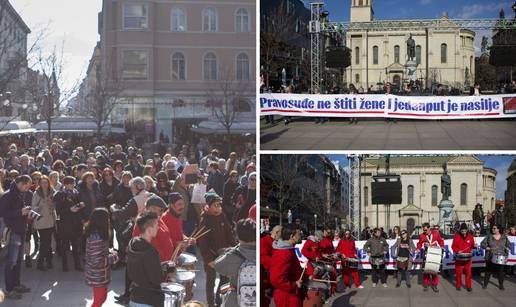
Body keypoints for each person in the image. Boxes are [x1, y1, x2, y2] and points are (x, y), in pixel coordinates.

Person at [197, 192, 236, 307]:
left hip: (223, 254)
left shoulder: (222, 215)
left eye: (219, 205)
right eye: (215, 205)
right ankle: (210, 303)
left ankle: (219, 301)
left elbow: (229, 233)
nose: (218, 207)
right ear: (208, 206)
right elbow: (202, 243)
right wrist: (208, 259)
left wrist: (233, 247)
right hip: (210, 256)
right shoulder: (204, 220)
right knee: (211, 281)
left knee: (224, 279)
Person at [0, 175, 33, 300]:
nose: (28, 188)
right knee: (11, 262)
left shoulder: (18, 193)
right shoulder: (8, 195)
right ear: (20, 183)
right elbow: (2, 213)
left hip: (20, 230)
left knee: (18, 261)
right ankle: (9, 290)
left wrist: (26, 211)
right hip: (13, 231)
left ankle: (16, 284)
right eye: (27, 185)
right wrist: (20, 212)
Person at [127, 211, 167, 307]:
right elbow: (157, 279)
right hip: (148, 300)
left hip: (134, 298)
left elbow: (141, 269)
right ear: (149, 230)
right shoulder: (150, 251)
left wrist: (162, 265)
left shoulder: (132, 243)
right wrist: (167, 271)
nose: (159, 228)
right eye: (157, 225)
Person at [214, 218, 256, 307]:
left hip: (236, 300)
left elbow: (218, 266)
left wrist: (234, 248)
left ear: (237, 236)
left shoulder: (234, 255)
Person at [85, 208, 119, 307]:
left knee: (102, 298)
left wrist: (110, 252)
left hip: (101, 274)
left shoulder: (98, 234)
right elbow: (97, 261)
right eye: (107, 218)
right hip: (97, 275)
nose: (109, 220)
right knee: (99, 300)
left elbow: (100, 252)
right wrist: (113, 257)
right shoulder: (96, 237)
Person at [54, 176, 85, 272]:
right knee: (64, 245)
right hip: (65, 223)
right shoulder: (59, 194)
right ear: (65, 184)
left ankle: (77, 265)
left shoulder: (76, 193)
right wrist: (69, 209)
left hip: (76, 222)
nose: (73, 185)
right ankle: (65, 265)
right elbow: (58, 210)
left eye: (74, 183)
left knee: (76, 245)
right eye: (71, 183)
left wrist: (80, 206)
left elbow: (79, 205)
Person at [270, 225, 303, 307]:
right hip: (286, 296)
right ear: (292, 236)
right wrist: (294, 285)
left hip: (290, 294)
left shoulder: (288, 250)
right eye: (299, 234)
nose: (301, 235)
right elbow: (276, 279)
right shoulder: (284, 253)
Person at [31, 175, 56, 271]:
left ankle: (49, 261)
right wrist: (42, 204)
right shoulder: (36, 193)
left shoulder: (52, 192)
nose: (44, 184)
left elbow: (55, 205)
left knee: (48, 241)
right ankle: (40, 262)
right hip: (41, 220)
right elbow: (33, 207)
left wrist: (51, 204)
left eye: (46, 182)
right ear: (39, 184)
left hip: (50, 220)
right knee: (44, 242)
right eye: (42, 182)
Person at [481, 224, 510, 290]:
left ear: (498, 229)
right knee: (488, 271)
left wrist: (507, 248)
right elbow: (482, 244)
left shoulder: (504, 237)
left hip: (501, 256)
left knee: (500, 272)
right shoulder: (489, 236)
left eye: (494, 228)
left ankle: (501, 285)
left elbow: (509, 244)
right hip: (490, 256)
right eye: (492, 228)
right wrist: (486, 247)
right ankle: (485, 284)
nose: (493, 229)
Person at [416, 222, 444, 292]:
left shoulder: (436, 233)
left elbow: (440, 241)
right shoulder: (422, 235)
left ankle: (435, 285)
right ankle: (426, 285)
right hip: (426, 253)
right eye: (423, 230)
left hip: (434, 253)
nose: (424, 231)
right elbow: (419, 243)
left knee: (434, 270)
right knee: (426, 270)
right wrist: (418, 249)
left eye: (425, 230)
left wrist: (442, 247)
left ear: (429, 228)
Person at [260, 225, 282, 307]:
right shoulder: (264, 241)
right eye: (281, 234)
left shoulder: (276, 242)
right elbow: (263, 258)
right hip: (266, 278)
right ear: (276, 233)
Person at [451, 223, 476, 291]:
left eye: (465, 231)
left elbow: (472, 246)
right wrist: (457, 250)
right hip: (459, 257)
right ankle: (458, 285)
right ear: (460, 230)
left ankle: (468, 286)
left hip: (467, 257)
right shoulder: (457, 236)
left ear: (467, 230)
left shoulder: (470, 236)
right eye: (462, 231)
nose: (463, 233)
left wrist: (474, 247)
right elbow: (453, 246)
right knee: (458, 272)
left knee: (468, 272)